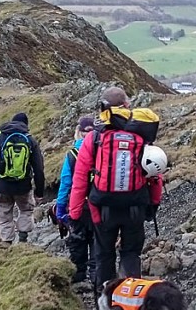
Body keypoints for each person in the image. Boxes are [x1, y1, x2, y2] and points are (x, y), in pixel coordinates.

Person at [68, 87, 163, 288]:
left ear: (104, 109)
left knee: (104, 255)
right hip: (135, 207)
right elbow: (154, 174)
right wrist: (153, 204)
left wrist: (75, 214)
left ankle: (105, 308)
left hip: (102, 210)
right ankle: (130, 307)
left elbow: (80, 179)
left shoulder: (94, 138)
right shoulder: (141, 135)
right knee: (131, 254)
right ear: (127, 106)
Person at [0, 112, 45, 243]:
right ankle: (23, 238)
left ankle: (6, 243)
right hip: (23, 187)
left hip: (2, 187)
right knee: (26, 210)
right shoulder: (30, 140)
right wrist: (39, 192)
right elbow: (39, 169)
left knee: (4, 215)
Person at [56, 116, 97, 284]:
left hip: (77, 205)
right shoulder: (101, 151)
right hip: (98, 205)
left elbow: (66, 182)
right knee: (97, 241)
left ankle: (79, 274)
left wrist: (60, 207)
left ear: (78, 132)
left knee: (77, 240)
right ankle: (97, 276)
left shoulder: (72, 154)